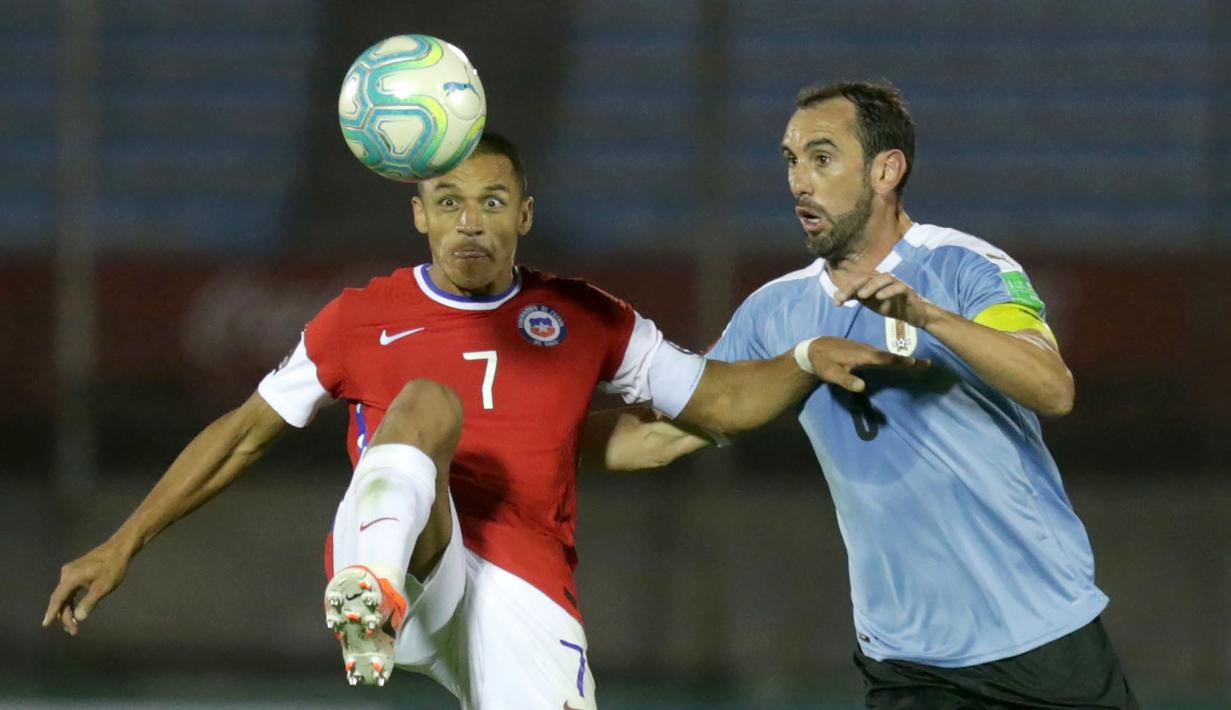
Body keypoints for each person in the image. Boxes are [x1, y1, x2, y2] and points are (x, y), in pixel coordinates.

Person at [42, 132, 922, 708]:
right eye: (451, 202)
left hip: (528, 589)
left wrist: (805, 359)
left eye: (493, 202)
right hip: (406, 559)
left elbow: (716, 401)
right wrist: (122, 544)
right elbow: (240, 434)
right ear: (419, 214)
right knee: (425, 404)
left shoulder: (588, 319)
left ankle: (377, 602)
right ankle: (371, 596)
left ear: (524, 216)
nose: (471, 223)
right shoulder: (358, 317)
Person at [585, 82, 1139, 708]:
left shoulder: (964, 267)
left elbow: (1052, 387)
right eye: (791, 160)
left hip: (1041, 641)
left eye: (821, 158)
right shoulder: (774, 313)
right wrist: (513, 440)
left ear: (886, 169)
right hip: (907, 665)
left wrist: (931, 318)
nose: (799, 180)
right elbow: (659, 437)